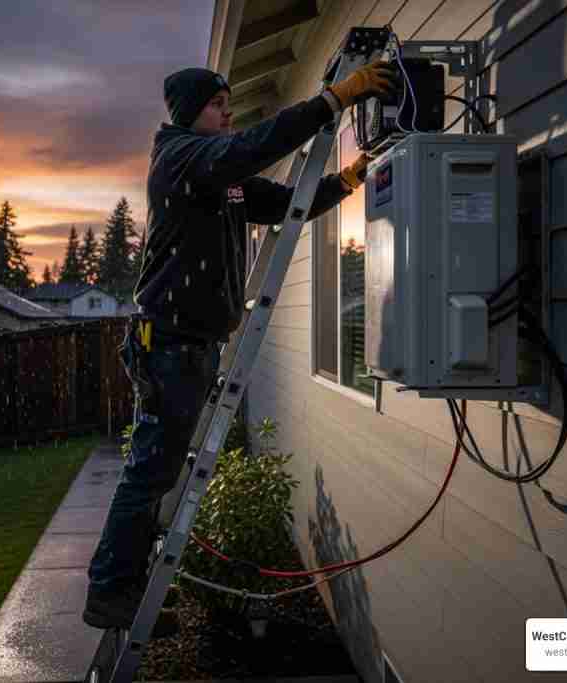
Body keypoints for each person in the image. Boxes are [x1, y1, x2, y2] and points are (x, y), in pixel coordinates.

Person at [83, 60, 398, 635]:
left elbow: (277, 203)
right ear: (188, 113)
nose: (228, 114)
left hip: (188, 344)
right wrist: (333, 100)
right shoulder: (183, 159)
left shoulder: (217, 177)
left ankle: (131, 586)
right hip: (171, 344)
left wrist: (347, 181)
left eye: (229, 103)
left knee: (159, 476)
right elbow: (251, 148)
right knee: (149, 476)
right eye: (217, 105)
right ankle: (110, 592)